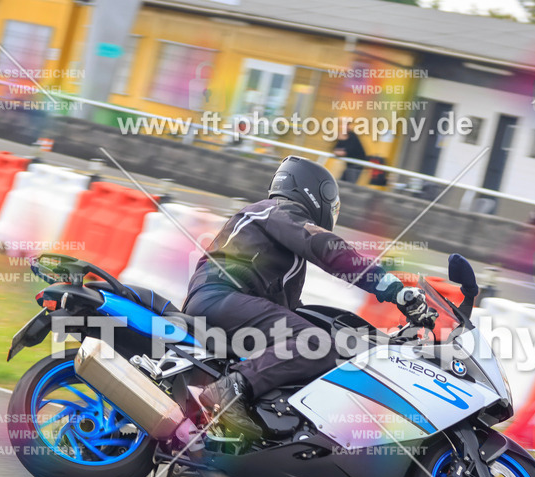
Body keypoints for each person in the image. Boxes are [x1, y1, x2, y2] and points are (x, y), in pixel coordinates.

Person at [183, 156, 431, 438]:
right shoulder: (277, 211)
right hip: (220, 298)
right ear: (315, 192)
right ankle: (229, 391)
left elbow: (291, 311)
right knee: (316, 344)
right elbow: (328, 249)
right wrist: (395, 289)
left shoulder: (279, 244)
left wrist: (359, 339)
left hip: (226, 303)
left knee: (315, 343)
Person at [333, 118, 368, 184]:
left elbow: (347, 151)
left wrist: (340, 151)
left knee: (349, 184)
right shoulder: (342, 136)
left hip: (356, 166)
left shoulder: (352, 136)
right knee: (341, 182)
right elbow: (335, 149)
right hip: (349, 165)